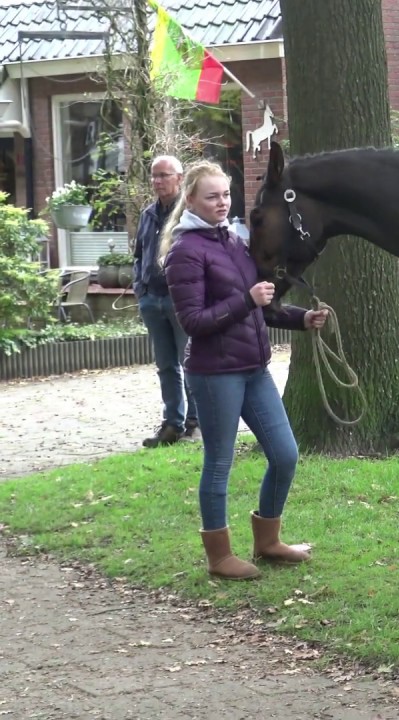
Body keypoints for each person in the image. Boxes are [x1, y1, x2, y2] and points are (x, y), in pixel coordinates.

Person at [160, 161, 329, 581]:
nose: (222, 203)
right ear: (192, 200)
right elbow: (194, 322)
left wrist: (301, 319)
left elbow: (262, 306)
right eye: (212, 196)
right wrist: (247, 301)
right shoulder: (185, 251)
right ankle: (219, 557)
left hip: (254, 368)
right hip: (214, 374)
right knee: (219, 463)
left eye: (226, 195)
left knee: (286, 454)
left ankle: (268, 542)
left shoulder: (234, 241)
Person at [133, 154, 198, 447]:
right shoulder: (147, 215)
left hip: (180, 301)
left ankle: (194, 423)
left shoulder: (189, 215)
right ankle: (172, 424)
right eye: (154, 176)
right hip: (152, 300)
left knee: (190, 361)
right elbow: (139, 256)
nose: (158, 181)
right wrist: (141, 290)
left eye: (164, 175)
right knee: (166, 365)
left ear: (180, 178)